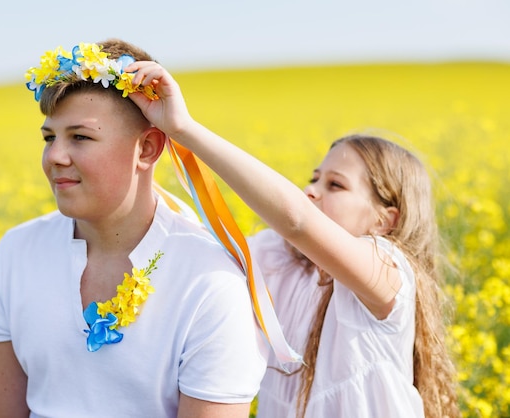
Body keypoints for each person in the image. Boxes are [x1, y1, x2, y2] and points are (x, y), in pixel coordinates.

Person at [127, 62, 461, 417]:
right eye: (314, 179)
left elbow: (297, 220)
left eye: (335, 185)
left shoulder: (389, 272)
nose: (310, 191)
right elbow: (191, 239)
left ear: (384, 219)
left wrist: (182, 129)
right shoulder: (280, 260)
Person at [0, 39, 266, 418]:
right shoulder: (18, 250)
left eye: (80, 137)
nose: (54, 158)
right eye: (49, 138)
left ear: (146, 150)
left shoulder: (209, 280)